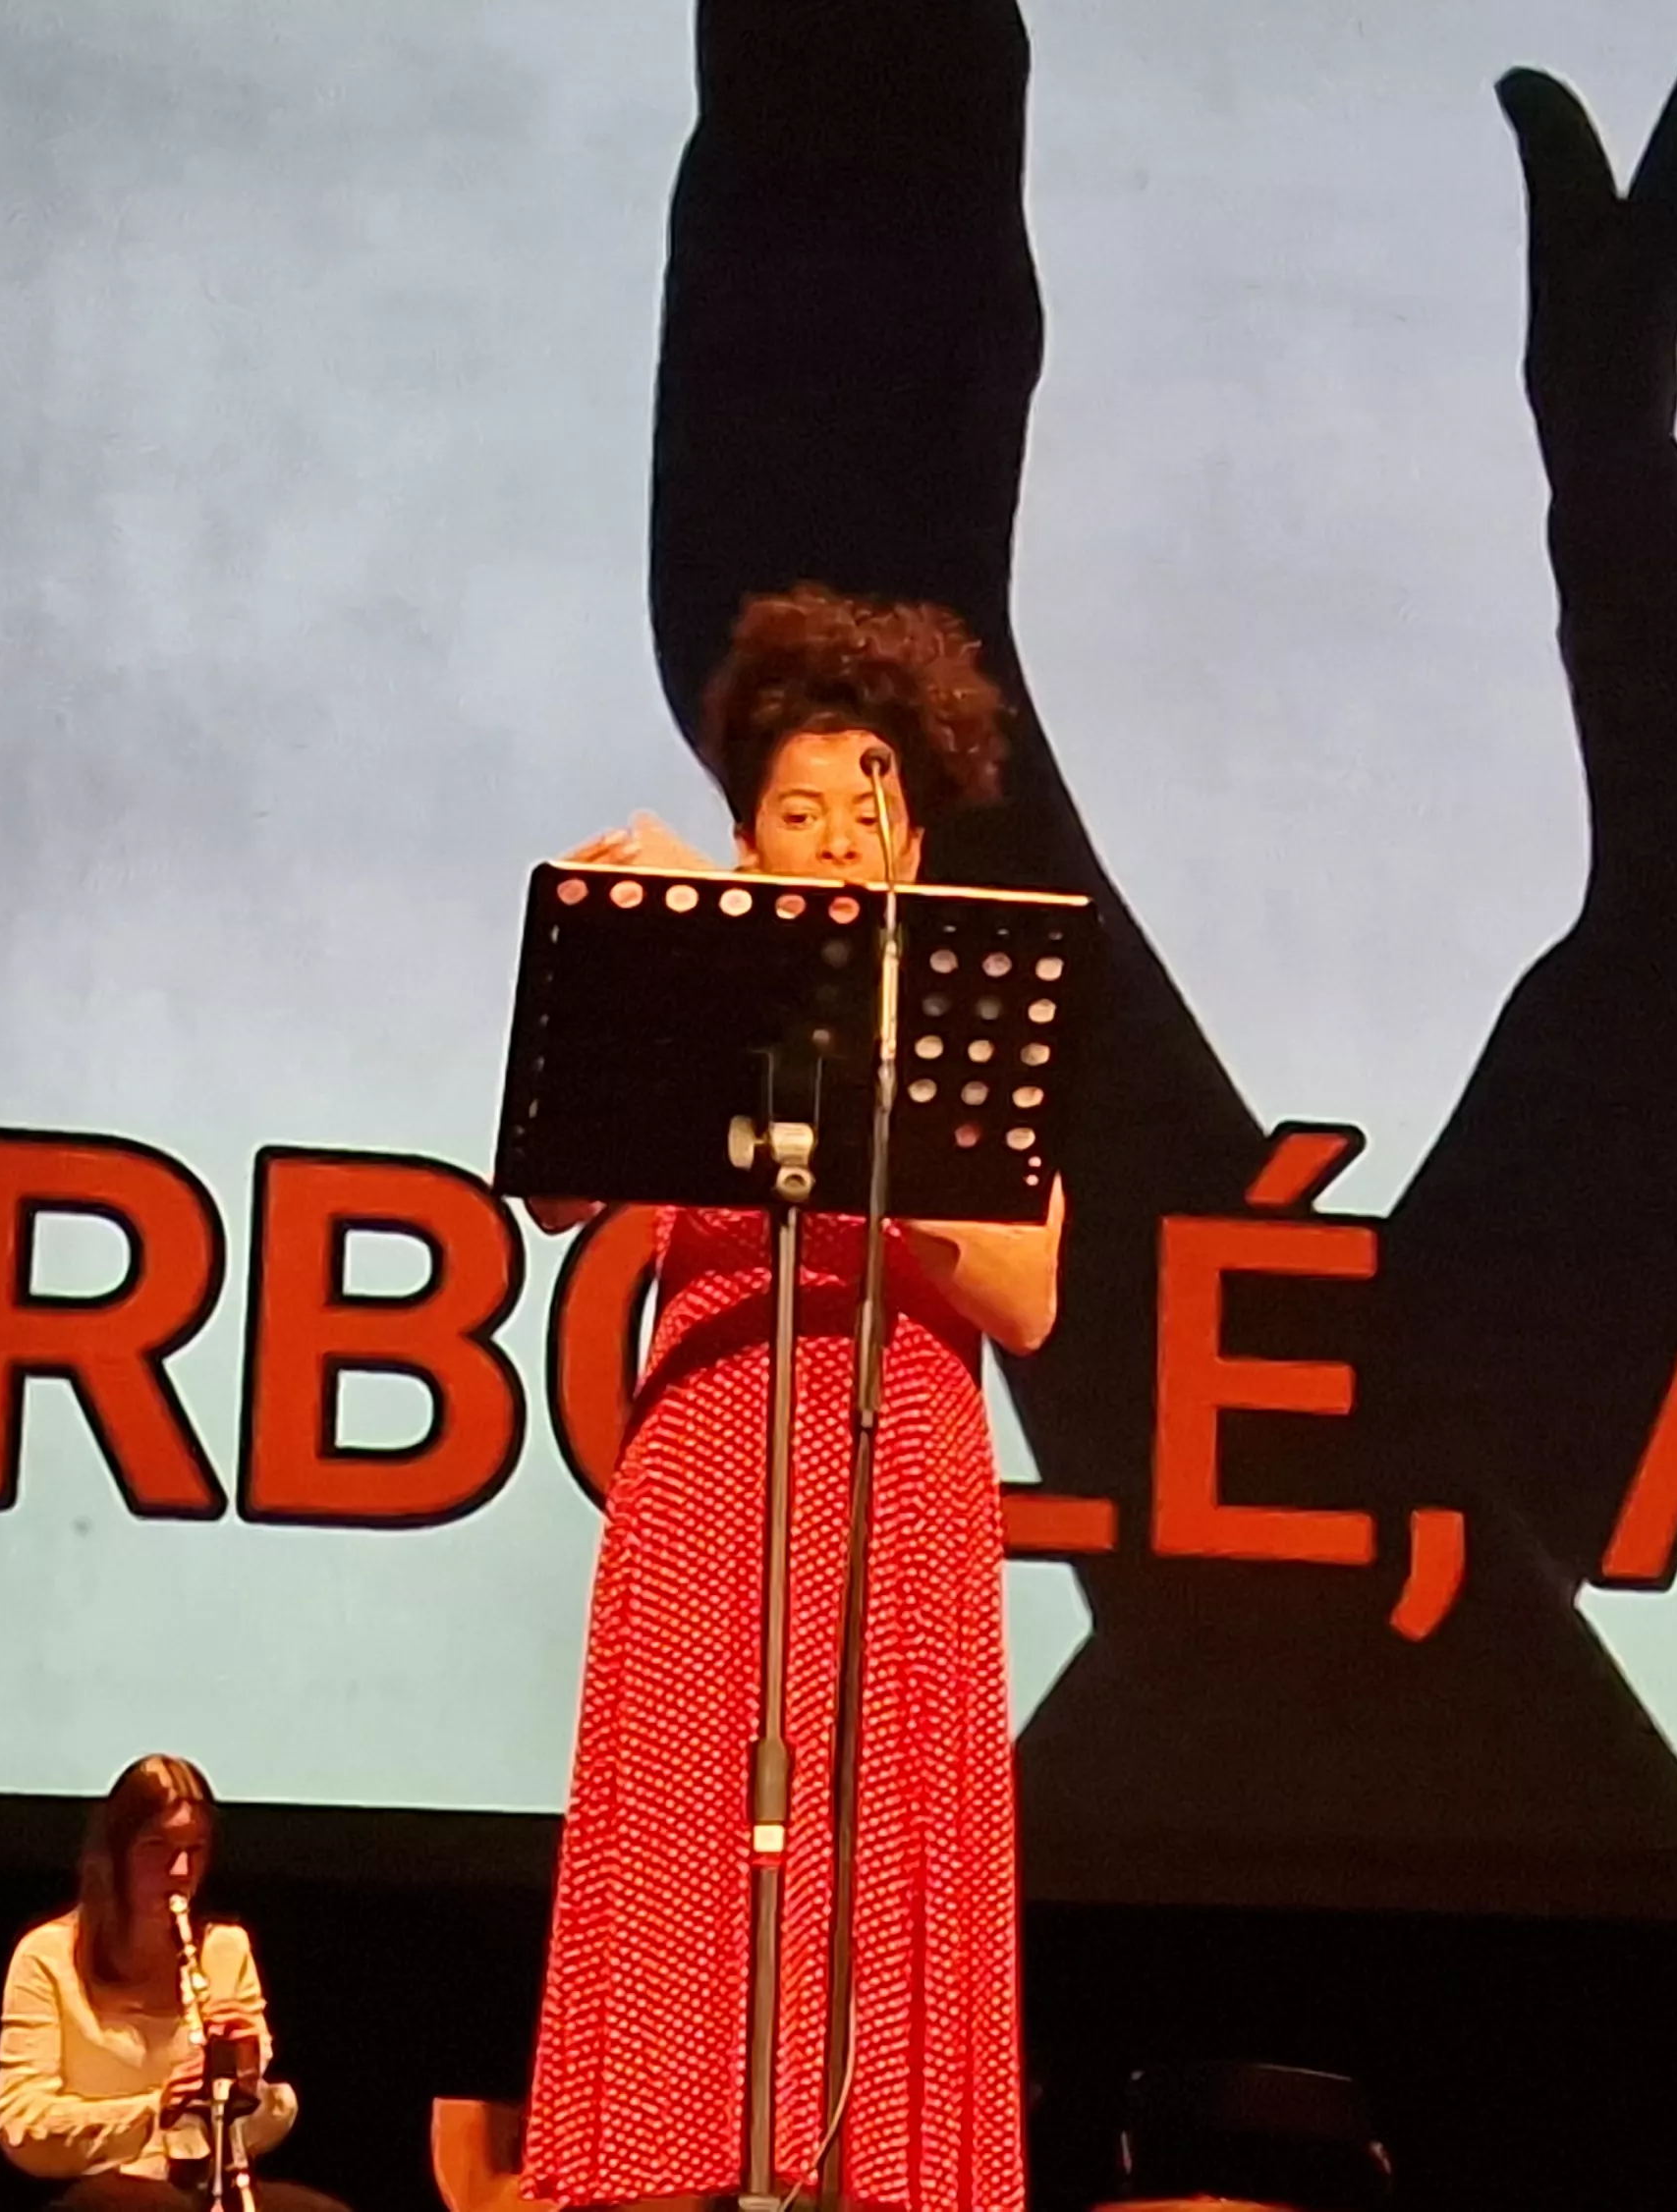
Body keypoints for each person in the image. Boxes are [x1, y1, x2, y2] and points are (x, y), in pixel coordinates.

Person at [523, 586, 1059, 2212]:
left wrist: (859, 1100)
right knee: (695, 1875)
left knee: (872, 1884)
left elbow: (1024, 1297)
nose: (829, 839)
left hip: (896, 1483)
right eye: (792, 813)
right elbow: (552, 1193)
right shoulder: (696, 982)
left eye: (861, 812)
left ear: (911, 849)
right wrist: (631, 949)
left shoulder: (966, 1019)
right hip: (707, 1467)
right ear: (746, 838)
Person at [0, 1757, 341, 2212]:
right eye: (157, 1846)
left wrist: (243, 2088)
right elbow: (22, 2126)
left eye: (194, 1849)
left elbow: (258, 2126)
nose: (180, 1871)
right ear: (115, 1854)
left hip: (203, 2183)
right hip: (93, 2190)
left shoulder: (226, 1951)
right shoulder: (47, 1956)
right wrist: (156, 2108)